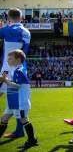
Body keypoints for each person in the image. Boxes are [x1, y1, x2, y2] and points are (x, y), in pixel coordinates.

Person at [0, 8, 31, 139]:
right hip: (20, 66)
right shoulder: (26, 31)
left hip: (7, 68)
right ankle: (19, 130)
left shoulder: (8, 29)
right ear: (21, 17)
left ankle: (18, 130)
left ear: (8, 17)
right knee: (16, 98)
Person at [0, 50, 37, 149]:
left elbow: (17, 86)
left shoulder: (19, 70)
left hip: (20, 102)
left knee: (24, 120)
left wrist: (5, 80)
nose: (8, 60)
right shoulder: (16, 70)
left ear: (18, 59)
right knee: (4, 118)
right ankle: (32, 140)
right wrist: (5, 80)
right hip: (13, 102)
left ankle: (32, 140)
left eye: (10, 58)